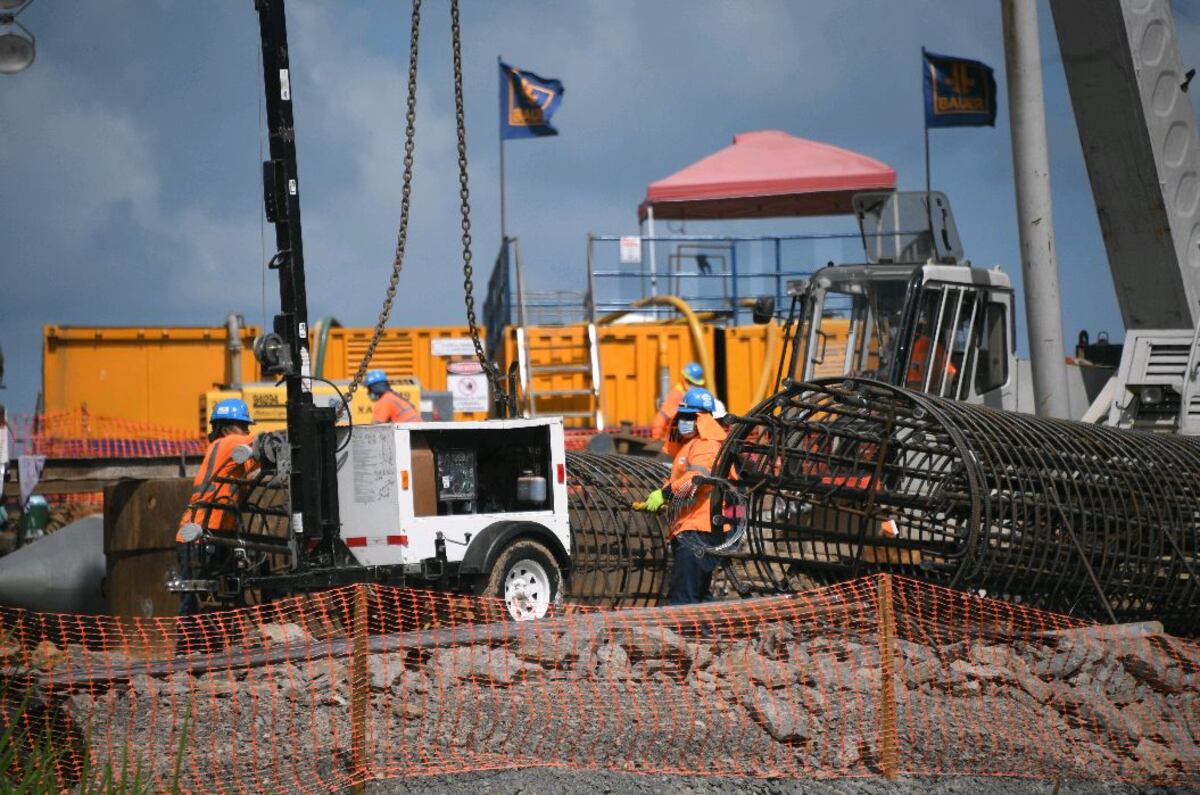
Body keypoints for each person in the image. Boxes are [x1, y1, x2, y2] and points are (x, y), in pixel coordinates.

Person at [634, 386, 729, 605]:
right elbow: (679, 479)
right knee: (697, 593)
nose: (683, 421)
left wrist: (665, 494)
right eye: (682, 416)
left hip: (699, 530)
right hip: (690, 528)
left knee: (683, 597)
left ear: (701, 419)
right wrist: (660, 498)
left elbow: (698, 478)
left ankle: (683, 636)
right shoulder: (690, 445)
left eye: (689, 417)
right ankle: (705, 634)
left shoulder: (707, 445)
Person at [175, 398, 258, 619]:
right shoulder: (230, 442)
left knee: (216, 597)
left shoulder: (225, 450)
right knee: (194, 599)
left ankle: (207, 649)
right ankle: (186, 650)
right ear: (227, 427)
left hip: (211, 532)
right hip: (201, 533)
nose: (247, 431)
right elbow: (265, 442)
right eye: (244, 426)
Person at [650, 361, 705, 440]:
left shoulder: (697, 396)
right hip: (674, 437)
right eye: (691, 383)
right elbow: (662, 417)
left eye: (696, 385)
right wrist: (656, 438)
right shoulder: (677, 395)